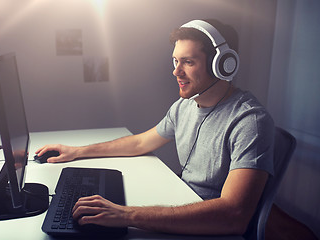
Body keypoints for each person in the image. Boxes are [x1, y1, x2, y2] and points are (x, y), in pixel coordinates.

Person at [35, 19, 274, 236]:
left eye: (188, 62)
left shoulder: (249, 121)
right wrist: (77, 152)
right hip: (183, 208)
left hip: (210, 228)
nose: (176, 71)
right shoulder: (185, 106)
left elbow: (233, 216)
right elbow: (141, 142)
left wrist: (126, 215)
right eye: (175, 61)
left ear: (223, 65)